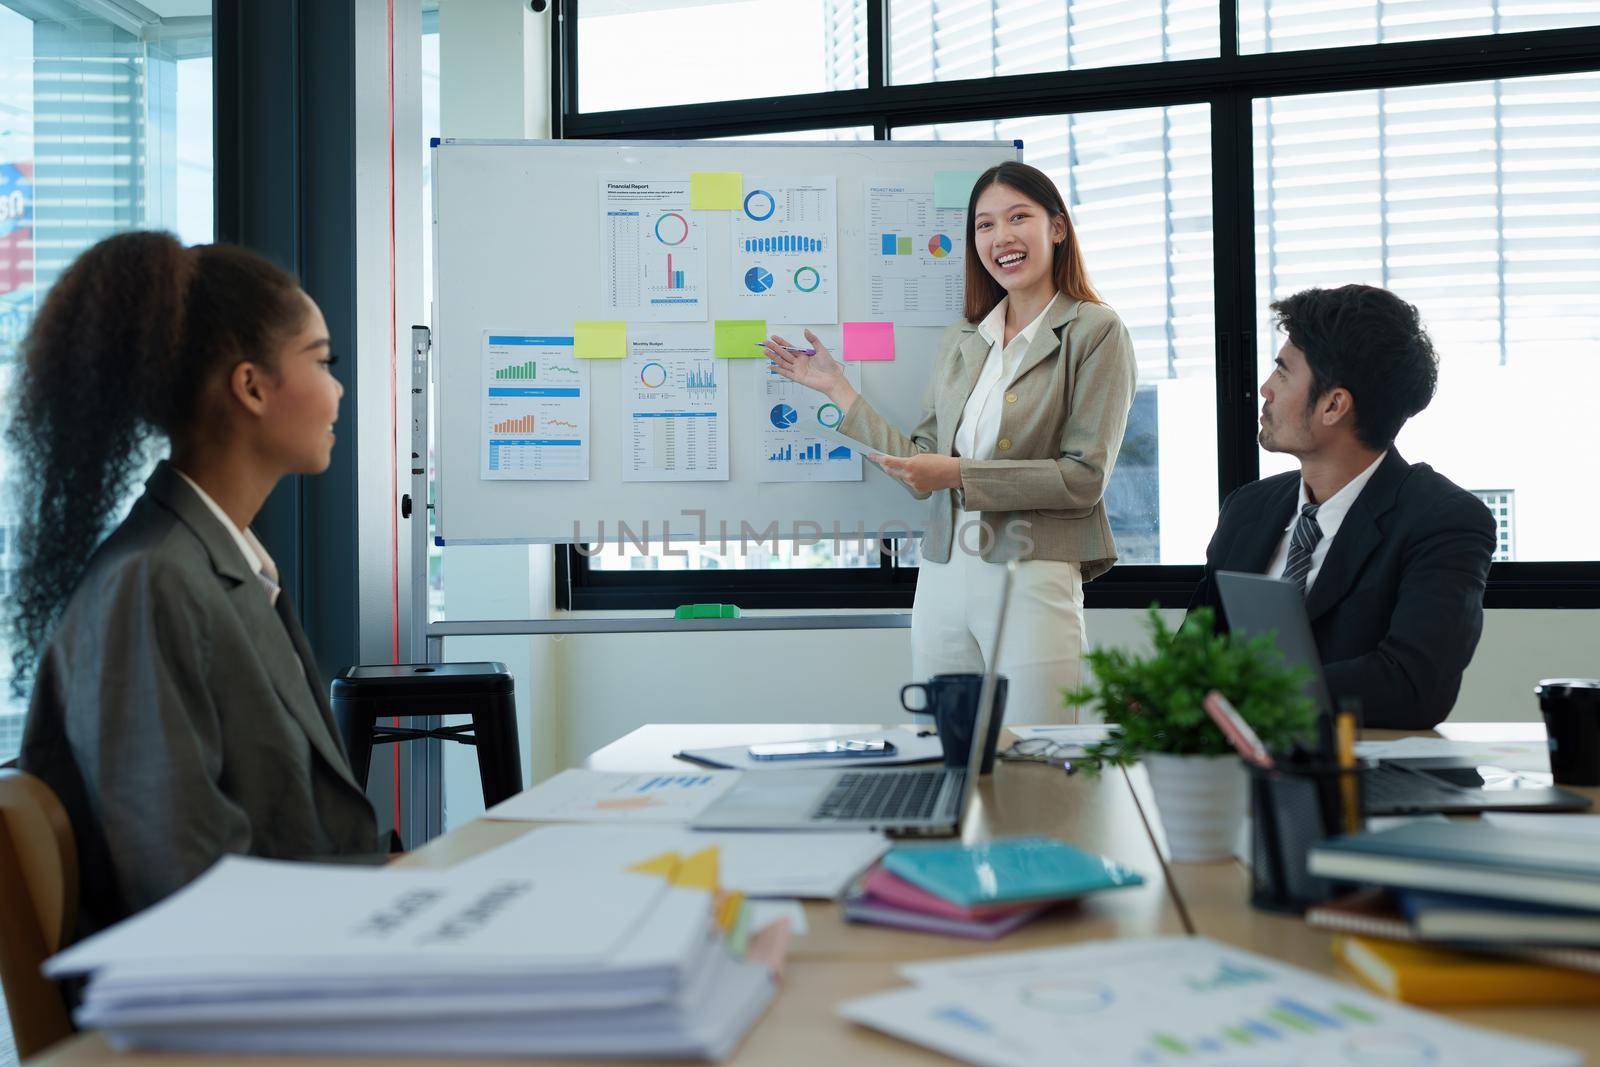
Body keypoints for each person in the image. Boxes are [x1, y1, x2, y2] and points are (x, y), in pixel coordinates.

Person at [8, 231, 382, 937]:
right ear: (250, 385)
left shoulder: (214, 566)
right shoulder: (151, 586)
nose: (337, 388)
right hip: (240, 1015)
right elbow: (186, 890)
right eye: (322, 360)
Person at [764, 162, 1137, 723]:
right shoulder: (965, 339)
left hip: (1033, 572)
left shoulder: (1095, 331)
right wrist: (839, 390)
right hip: (942, 571)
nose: (1001, 238)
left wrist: (959, 475)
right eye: (985, 226)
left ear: (1056, 229)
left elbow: (1083, 479)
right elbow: (921, 463)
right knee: (940, 751)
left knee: (1034, 753)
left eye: (1019, 218)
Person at [1187, 285, 1495, 730]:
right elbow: (1191, 656)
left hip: (1362, 779)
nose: (1265, 389)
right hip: (1227, 772)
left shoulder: (1444, 521)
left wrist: (1243, 694)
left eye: (1283, 372)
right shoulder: (1247, 508)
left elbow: (1414, 686)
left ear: (1334, 405)